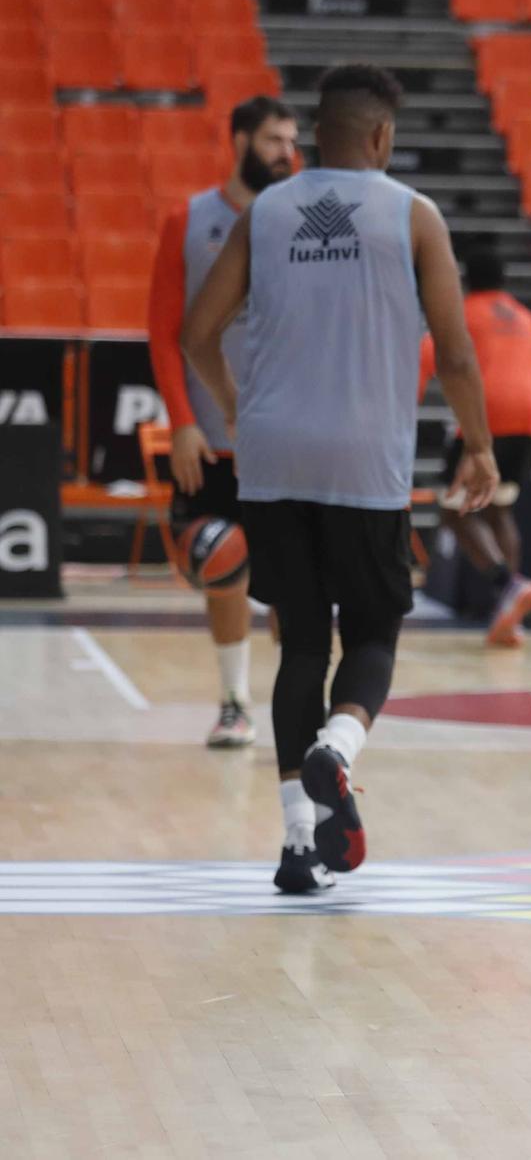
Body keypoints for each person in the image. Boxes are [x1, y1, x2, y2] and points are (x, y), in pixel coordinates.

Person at [183, 64, 499, 896]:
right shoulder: (413, 216)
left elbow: (196, 332)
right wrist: (481, 447)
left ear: (314, 134)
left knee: (299, 643)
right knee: (374, 635)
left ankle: (296, 844)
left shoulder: (265, 211)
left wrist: (236, 404)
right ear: (382, 138)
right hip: (365, 461)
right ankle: (341, 747)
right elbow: (458, 353)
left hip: (274, 455)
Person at [146, 95, 299, 748]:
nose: (286, 152)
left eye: (291, 140)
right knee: (225, 569)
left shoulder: (301, 224)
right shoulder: (189, 219)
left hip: (286, 436)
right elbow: (163, 332)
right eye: (272, 139)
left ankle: (299, 706)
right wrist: (182, 420)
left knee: (297, 583)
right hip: (213, 438)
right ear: (238, 140)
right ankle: (235, 701)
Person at [418, 251, 531, 646]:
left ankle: (507, 583)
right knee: (499, 509)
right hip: (529, 417)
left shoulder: (464, 312)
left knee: (454, 513)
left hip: (486, 417)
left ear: (465, 280)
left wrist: (405, 404)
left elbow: (426, 356)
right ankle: (509, 617)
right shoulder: (523, 316)